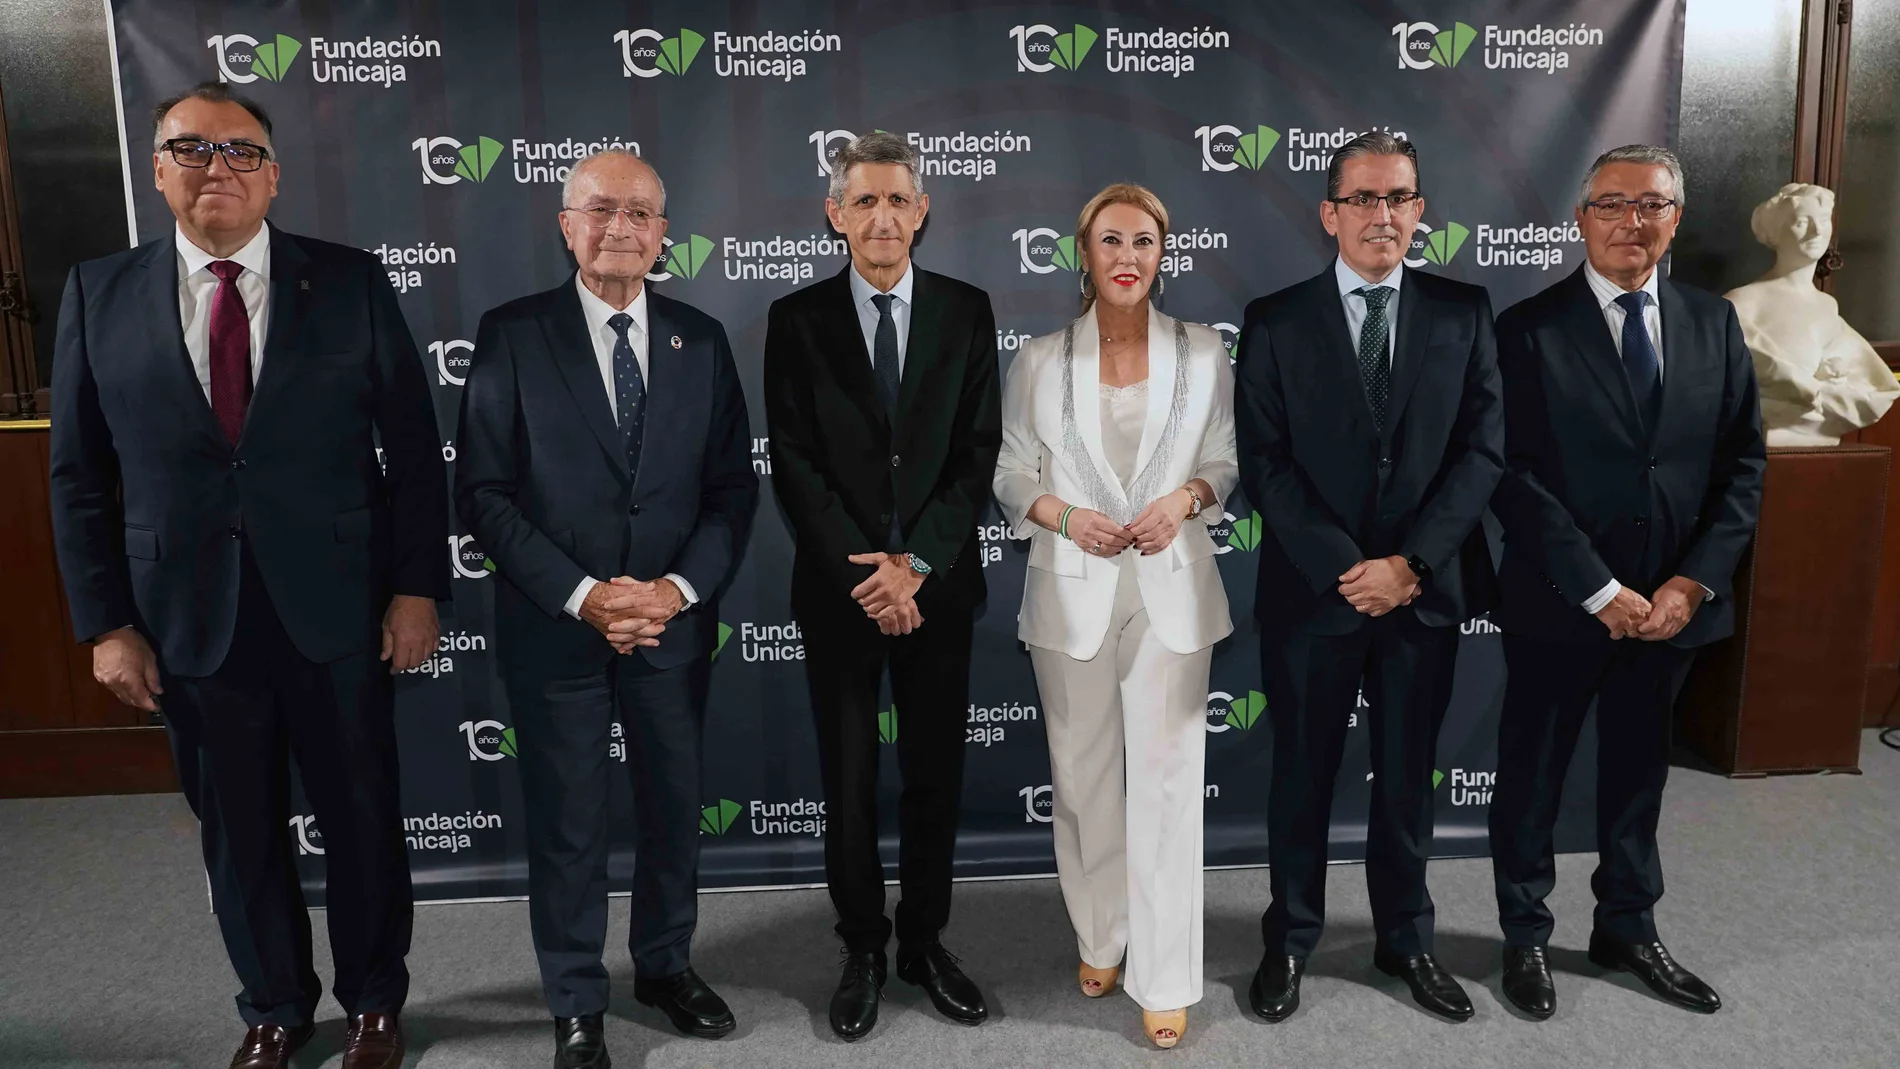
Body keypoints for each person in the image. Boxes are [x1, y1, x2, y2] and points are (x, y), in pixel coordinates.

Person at [47, 82, 445, 1069]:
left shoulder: (349, 283)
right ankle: (271, 1005)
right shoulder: (98, 292)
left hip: (339, 611)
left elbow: (409, 445)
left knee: (361, 818)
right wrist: (105, 623)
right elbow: (78, 476)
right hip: (185, 620)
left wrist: (415, 587)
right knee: (238, 830)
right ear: (156, 168)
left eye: (240, 151)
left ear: (273, 175)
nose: (216, 167)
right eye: (191, 148)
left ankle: (374, 1005)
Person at [455, 149, 757, 1066]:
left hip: (671, 626)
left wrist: (669, 592)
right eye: (599, 210)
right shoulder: (511, 334)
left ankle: (664, 965)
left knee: (672, 805)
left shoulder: (700, 340)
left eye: (639, 213)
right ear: (565, 224)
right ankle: (576, 994)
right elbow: (485, 492)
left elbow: (730, 493)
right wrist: (587, 596)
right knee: (569, 821)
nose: (619, 227)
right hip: (558, 628)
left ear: (665, 234)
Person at [1489, 144, 1764, 1020]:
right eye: (1611, 205)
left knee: (1639, 775)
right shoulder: (1524, 330)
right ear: (1581, 219)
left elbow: (1741, 466)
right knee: (1532, 776)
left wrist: (1694, 581)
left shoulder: (1712, 322)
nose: (1630, 222)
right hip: (1564, 603)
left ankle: (1628, 926)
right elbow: (1510, 474)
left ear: (1675, 219)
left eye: (1651, 205)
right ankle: (1525, 932)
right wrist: (1598, 588)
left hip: (1672, 610)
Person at [1234, 132, 1504, 1024]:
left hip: (1423, 594)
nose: (1382, 214)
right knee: (1302, 778)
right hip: (1317, 595)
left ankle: (1407, 938)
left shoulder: (1466, 312)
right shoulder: (1274, 318)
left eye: (1400, 197)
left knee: (1405, 777)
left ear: (1420, 211)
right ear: (1330, 213)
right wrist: (1350, 567)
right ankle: (1290, 939)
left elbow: (1481, 453)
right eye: (1363, 198)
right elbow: (1265, 462)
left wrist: (1411, 564)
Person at [763, 131, 1001, 1042]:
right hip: (841, 594)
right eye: (863, 201)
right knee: (852, 781)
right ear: (836, 214)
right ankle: (862, 945)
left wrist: (918, 565)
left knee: (934, 779)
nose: (882, 216)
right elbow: (792, 462)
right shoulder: (796, 319)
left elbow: (978, 454)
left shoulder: (968, 311)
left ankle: (924, 943)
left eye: (897, 199)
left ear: (923, 210)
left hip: (936, 590)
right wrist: (869, 573)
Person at [993, 183, 1236, 1049]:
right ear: (1083, 255)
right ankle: (1101, 934)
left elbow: (1225, 459)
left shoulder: (1205, 352)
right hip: (1071, 588)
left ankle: (1165, 975)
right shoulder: (1038, 358)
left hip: (1172, 588)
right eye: (1109, 242)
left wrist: (1189, 497)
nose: (1126, 257)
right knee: (1085, 779)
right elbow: (1012, 471)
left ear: (1163, 254)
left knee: (1169, 787)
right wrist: (1064, 516)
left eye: (1142, 241)